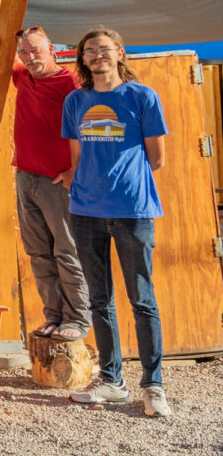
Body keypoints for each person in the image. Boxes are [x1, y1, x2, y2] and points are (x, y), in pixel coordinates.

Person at [62, 27, 169, 417]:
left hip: (133, 211)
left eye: (103, 49)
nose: (97, 56)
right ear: (83, 59)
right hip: (86, 211)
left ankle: (153, 386)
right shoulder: (75, 101)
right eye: (89, 51)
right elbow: (76, 158)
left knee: (142, 299)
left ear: (120, 53)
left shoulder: (142, 97)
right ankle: (112, 382)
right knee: (99, 299)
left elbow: (156, 157)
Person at [0, 26, 90, 341]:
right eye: (24, 52)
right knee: (39, 252)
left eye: (35, 50)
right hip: (26, 176)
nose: (30, 57)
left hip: (59, 181)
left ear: (52, 49)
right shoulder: (24, 75)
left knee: (67, 251)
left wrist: (73, 170)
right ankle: (54, 317)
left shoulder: (72, 83)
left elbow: (91, 130)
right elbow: (6, 62)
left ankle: (78, 319)